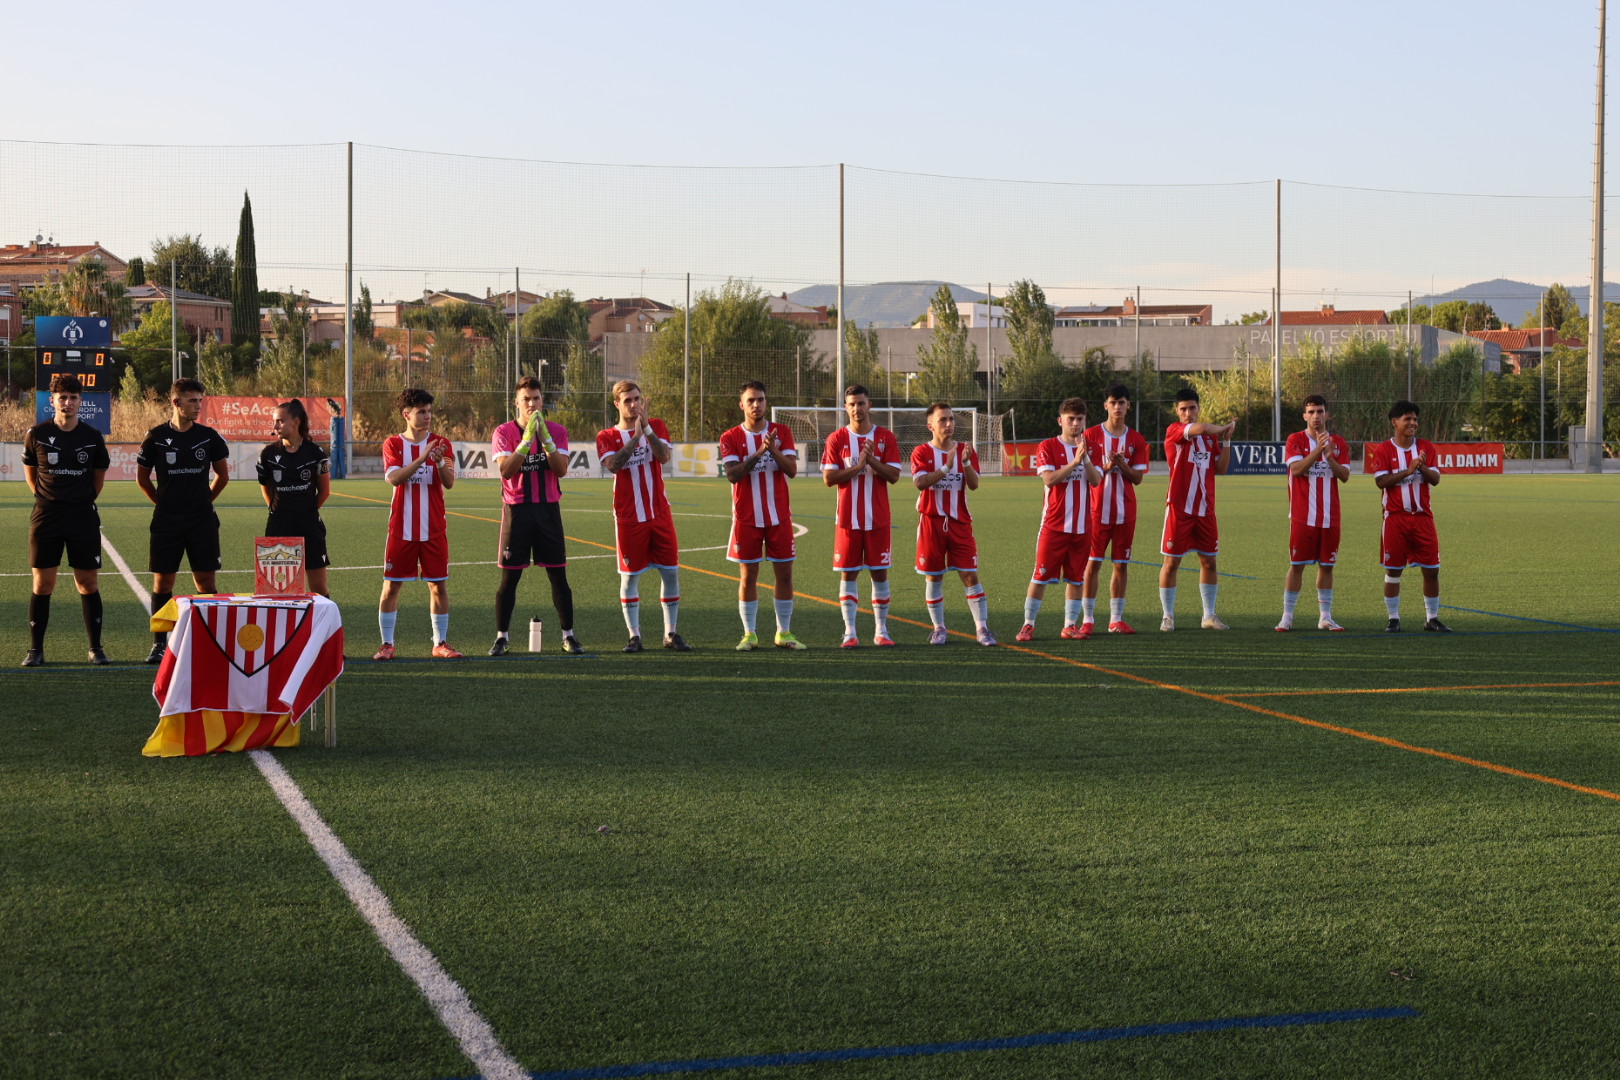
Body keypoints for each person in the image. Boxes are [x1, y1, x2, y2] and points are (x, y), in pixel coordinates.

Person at [136, 378, 230, 663]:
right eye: (192, 401)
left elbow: (222, 475)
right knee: (163, 582)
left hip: (201, 520)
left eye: (200, 401)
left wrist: (205, 500)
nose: (198, 406)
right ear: (176, 403)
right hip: (167, 520)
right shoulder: (155, 437)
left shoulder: (209, 436)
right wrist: (162, 502)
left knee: (205, 581)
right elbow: (142, 478)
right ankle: (159, 645)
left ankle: (209, 641)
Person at [22, 374, 110, 666]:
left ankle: (95, 648)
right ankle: (36, 650)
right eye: (63, 398)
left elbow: (98, 480)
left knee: (88, 583)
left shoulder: (92, 437)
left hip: (82, 517)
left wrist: (80, 500)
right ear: (52, 401)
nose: (68, 403)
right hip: (46, 516)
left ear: (80, 401)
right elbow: (31, 472)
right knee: (43, 584)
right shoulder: (37, 433)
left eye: (73, 398)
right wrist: (46, 498)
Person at [491, 376, 582, 655]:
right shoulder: (504, 432)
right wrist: (526, 440)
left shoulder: (557, 431)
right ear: (516, 402)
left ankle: (568, 636)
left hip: (547, 510)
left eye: (536, 398)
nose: (531, 404)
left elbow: (561, 469)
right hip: (517, 511)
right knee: (509, 580)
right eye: (526, 399)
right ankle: (502, 637)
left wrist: (545, 441)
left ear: (543, 401)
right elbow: (506, 471)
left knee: (558, 576)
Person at [597, 380, 689, 652]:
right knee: (629, 578)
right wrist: (635, 437)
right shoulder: (606, 436)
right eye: (628, 400)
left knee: (670, 573)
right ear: (617, 404)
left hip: (659, 513)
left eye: (637, 399)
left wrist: (646, 429)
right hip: (629, 518)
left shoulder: (656, 425)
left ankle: (670, 634)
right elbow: (614, 465)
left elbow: (664, 457)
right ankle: (634, 636)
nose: (634, 404)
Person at [376, 387, 462, 660]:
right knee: (391, 586)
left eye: (429, 411)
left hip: (434, 529)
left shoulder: (442, 443)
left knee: (438, 586)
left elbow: (449, 482)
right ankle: (387, 644)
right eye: (421, 412)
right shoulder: (393, 444)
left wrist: (439, 463)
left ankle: (440, 643)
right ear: (406, 414)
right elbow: (394, 478)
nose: (427, 416)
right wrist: (422, 458)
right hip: (401, 529)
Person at [720, 380, 805, 651]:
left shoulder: (782, 432)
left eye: (760, 399)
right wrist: (759, 452)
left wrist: (773, 449)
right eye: (751, 400)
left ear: (766, 402)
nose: (756, 405)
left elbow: (791, 470)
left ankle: (784, 633)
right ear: (741, 405)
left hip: (779, 517)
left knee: (785, 575)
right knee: (748, 576)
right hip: (747, 519)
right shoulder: (730, 437)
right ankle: (750, 634)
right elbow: (733, 475)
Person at [822, 384, 901, 648]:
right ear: (846, 407)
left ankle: (882, 631)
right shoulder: (836, 439)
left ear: (870, 405)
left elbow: (894, 475)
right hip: (847, 520)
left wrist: (871, 461)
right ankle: (850, 632)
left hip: (878, 519)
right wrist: (858, 466)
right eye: (852, 404)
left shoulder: (885, 437)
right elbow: (829, 478)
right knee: (848, 574)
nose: (857, 408)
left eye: (861, 403)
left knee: (879, 574)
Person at [1016, 397, 1101, 642]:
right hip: (1054, 525)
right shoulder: (1048, 446)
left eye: (1080, 419)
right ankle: (1028, 624)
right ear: (1060, 420)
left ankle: (1070, 625)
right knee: (1040, 576)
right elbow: (1049, 479)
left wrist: (1085, 458)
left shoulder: (1093, 447)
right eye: (1070, 419)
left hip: (1082, 526)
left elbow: (1096, 481)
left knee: (1076, 578)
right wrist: (1074, 462)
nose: (1075, 423)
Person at [913, 402, 995, 646]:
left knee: (970, 575)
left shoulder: (965, 451)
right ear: (930, 425)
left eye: (951, 419)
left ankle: (982, 629)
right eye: (943, 420)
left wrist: (966, 463)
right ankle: (939, 628)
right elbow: (920, 483)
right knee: (934, 577)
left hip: (960, 522)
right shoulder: (921, 452)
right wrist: (946, 467)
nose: (949, 424)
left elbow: (974, 485)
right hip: (931, 522)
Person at [1158, 386, 1236, 631]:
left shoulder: (1209, 438)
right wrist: (1222, 427)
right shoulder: (1175, 431)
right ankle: (1168, 616)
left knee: (1209, 562)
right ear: (1177, 411)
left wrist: (1226, 439)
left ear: (1198, 408)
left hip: (1205, 510)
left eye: (1192, 408)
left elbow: (1221, 468)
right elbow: (1200, 428)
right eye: (1183, 409)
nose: (1188, 413)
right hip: (1179, 508)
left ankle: (1209, 616)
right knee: (1172, 563)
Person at [1370, 399, 1449, 632]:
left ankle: (1432, 618)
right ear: (1395, 422)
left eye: (1415, 419)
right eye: (1408, 419)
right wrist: (1408, 470)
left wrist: (1421, 466)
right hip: (1395, 518)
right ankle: (1393, 619)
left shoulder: (1425, 448)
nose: (1413, 423)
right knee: (1394, 571)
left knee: (1432, 569)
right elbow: (1381, 481)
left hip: (1423, 517)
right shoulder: (1384, 449)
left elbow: (1436, 479)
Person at [1277, 394, 1350, 632]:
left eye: (1320, 411)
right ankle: (1287, 616)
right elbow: (1297, 470)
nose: (1316, 416)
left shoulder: (1338, 443)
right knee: (1297, 565)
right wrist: (1319, 450)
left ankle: (1325, 617)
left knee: (1327, 566)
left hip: (1331, 516)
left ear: (1327, 414)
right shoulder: (1295, 440)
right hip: (1303, 516)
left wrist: (1330, 457)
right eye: (1311, 412)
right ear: (1304, 416)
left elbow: (1345, 475)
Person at [1083, 384, 1150, 635]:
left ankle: (1116, 619)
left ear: (1128, 405)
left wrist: (1122, 465)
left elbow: (1138, 478)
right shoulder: (1090, 436)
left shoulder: (1136, 439)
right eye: (1113, 402)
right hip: (1097, 512)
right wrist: (1108, 466)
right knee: (1093, 564)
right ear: (1106, 405)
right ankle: (1088, 619)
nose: (1117, 407)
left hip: (1125, 513)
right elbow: (1086, 474)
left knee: (1121, 565)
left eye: (1121, 402)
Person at [257, 400, 332, 597]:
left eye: (280, 421)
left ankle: (323, 618)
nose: (275, 426)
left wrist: (306, 511)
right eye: (274, 421)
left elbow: (324, 492)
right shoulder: (268, 454)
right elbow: (265, 487)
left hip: (309, 525)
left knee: (319, 589)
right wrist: (277, 511)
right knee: (279, 589)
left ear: (296, 422)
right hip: (279, 526)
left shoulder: (315, 453)